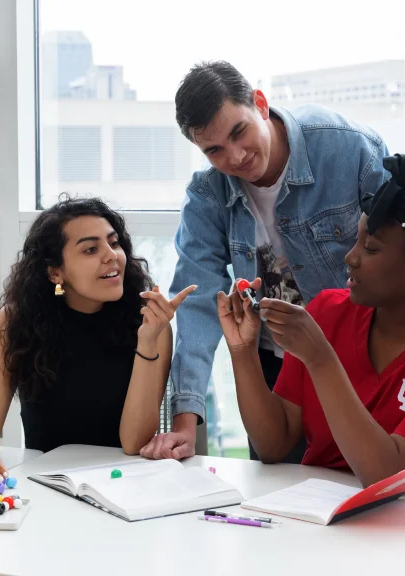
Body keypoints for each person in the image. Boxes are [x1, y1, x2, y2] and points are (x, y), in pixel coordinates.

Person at [220, 136, 405, 576]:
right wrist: (242, 351)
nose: (350, 258)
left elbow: (385, 475)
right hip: (320, 526)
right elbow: (274, 444)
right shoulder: (328, 314)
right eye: (357, 241)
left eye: (371, 249)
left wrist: (321, 359)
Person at [141, 60, 391, 462]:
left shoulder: (345, 146)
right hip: (275, 374)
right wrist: (184, 424)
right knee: (278, 504)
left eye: (239, 132)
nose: (236, 156)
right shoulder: (208, 195)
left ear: (260, 103)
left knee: (369, 496)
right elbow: (197, 302)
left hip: (364, 363)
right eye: (214, 150)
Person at [0, 196, 195, 486]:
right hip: (47, 484)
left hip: (125, 486)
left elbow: (133, 443)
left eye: (114, 243)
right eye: (90, 249)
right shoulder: (16, 321)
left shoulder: (151, 324)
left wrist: (148, 341)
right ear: (55, 272)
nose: (111, 255)